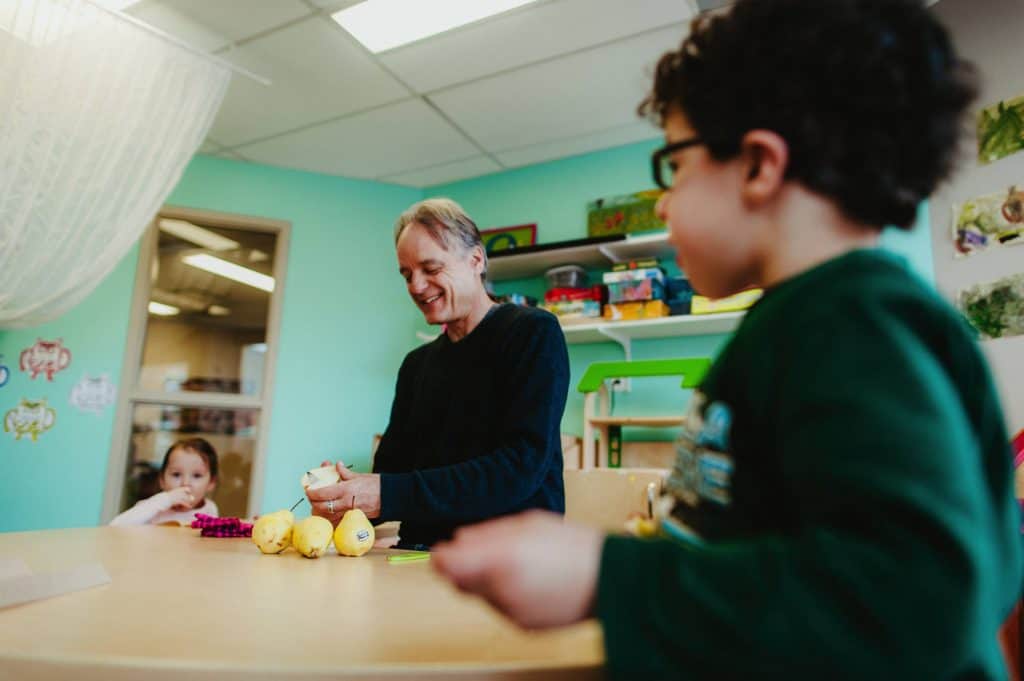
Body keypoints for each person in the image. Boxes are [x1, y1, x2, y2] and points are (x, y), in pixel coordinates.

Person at [431, 1, 1024, 678]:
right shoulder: (808, 321)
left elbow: (918, 597)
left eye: (673, 166)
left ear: (757, 166)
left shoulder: (854, 324)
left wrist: (607, 578)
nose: (662, 202)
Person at [306, 198, 569, 550]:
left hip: (512, 560)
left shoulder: (533, 333)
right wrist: (351, 494)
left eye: (430, 268)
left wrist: (384, 493)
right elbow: (395, 476)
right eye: (406, 274)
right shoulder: (416, 365)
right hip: (420, 555)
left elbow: (519, 470)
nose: (416, 286)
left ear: (476, 260)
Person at [110, 438, 219, 526]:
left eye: (197, 476)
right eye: (176, 475)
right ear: (162, 481)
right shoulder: (151, 507)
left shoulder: (209, 509)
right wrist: (166, 499)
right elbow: (115, 527)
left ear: (211, 483)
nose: (185, 483)